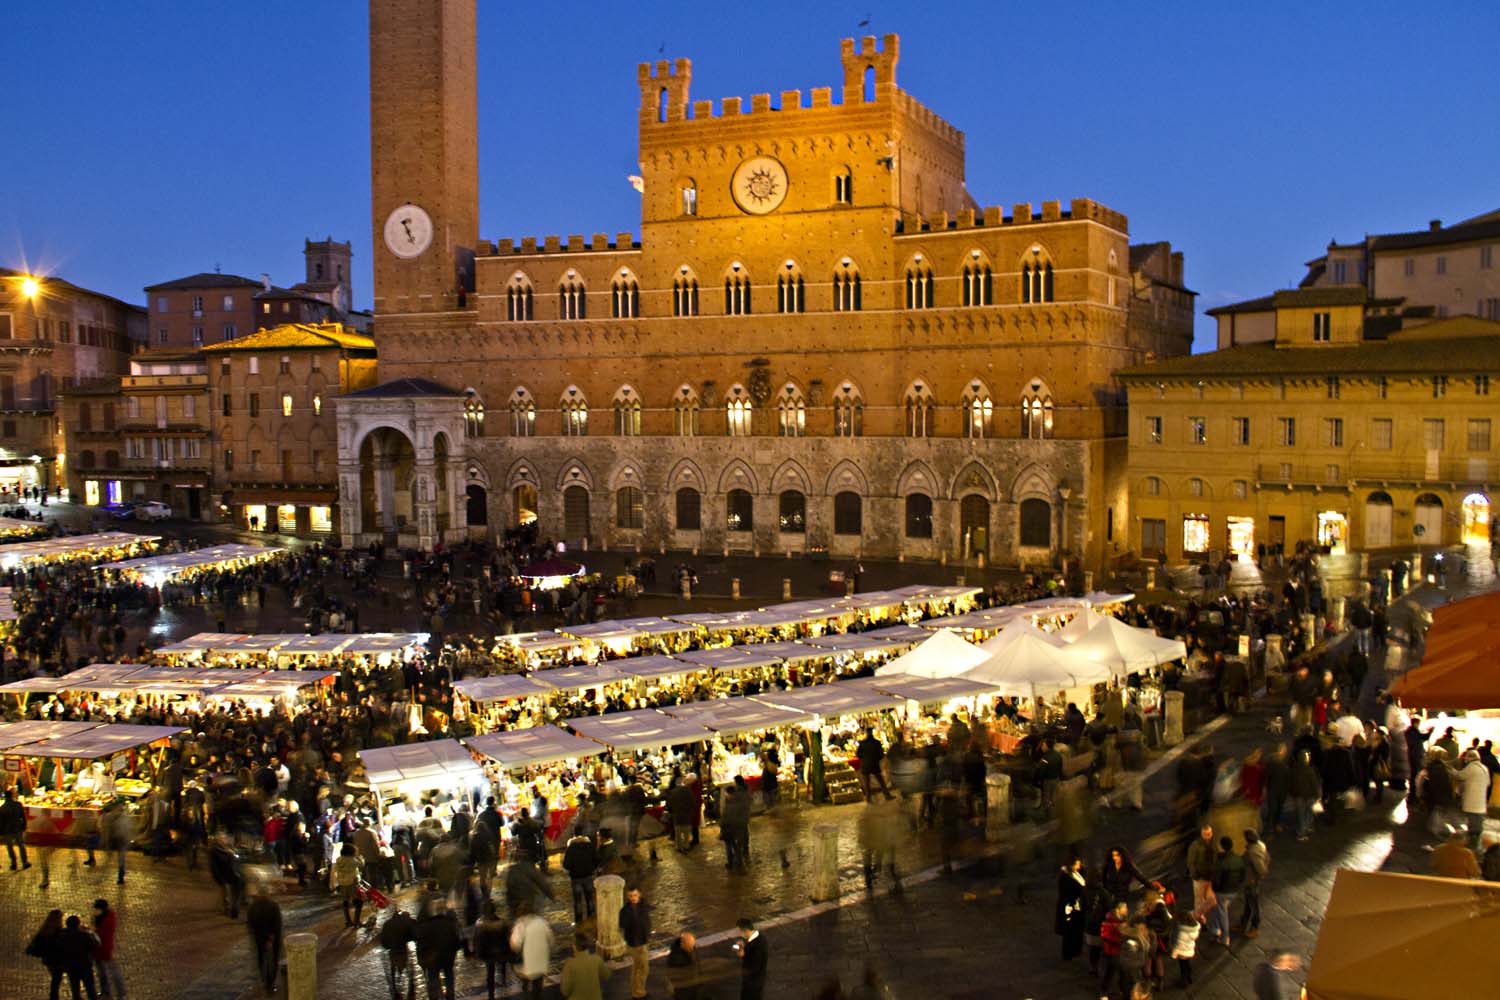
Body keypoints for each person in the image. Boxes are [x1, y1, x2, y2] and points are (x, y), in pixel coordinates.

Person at [415, 898, 462, 1000]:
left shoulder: (428, 925)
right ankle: (450, 996)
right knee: (449, 976)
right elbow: (456, 941)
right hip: (448, 957)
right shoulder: (449, 924)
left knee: (433, 977)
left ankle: (436, 996)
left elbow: (423, 943)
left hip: (433, 958)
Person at [509, 903, 554, 1000]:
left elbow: (515, 944)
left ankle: (526, 993)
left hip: (528, 962)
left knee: (526, 983)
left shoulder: (521, 924)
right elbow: (550, 939)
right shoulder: (541, 922)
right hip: (541, 961)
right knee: (537, 986)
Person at [246, 885, 283, 995]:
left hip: (259, 939)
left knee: (262, 960)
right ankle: (270, 985)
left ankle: (264, 982)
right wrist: (270, 939)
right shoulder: (273, 906)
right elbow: (277, 924)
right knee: (272, 962)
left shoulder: (252, 907)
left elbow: (250, 924)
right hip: (272, 939)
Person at [1211, 835, 1246, 946]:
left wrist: (1215, 889)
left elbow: (1217, 879)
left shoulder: (1221, 862)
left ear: (1222, 847)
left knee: (1222, 913)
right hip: (1234, 890)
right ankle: (1215, 929)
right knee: (1219, 908)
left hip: (1223, 891)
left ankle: (1225, 937)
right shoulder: (1238, 859)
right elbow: (1242, 876)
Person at [473, 899, 512, 1000]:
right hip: (501, 951)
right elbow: (506, 938)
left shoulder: (480, 923)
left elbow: (477, 941)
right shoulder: (502, 922)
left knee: (490, 973)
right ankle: (503, 980)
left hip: (488, 953)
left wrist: (478, 954)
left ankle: (491, 994)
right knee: (502, 966)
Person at [619, 885, 652, 999]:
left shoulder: (643, 906)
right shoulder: (625, 911)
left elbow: (646, 921)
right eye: (631, 896)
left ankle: (636, 991)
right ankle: (639, 993)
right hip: (634, 943)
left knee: (637, 968)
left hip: (643, 941)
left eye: (635, 895)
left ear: (639, 895)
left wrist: (647, 934)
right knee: (643, 969)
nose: (633, 898)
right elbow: (622, 924)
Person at [56, 913, 100, 1000]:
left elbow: (58, 949)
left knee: (75, 989)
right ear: (78, 924)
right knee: (90, 989)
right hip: (85, 965)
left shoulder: (62, 935)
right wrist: (90, 932)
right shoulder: (84, 935)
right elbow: (96, 943)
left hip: (71, 966)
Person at [379, 906, 418, 1000]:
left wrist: (389, 945)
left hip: (393, 950)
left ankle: (396, 991)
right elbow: (414, 934)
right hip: (402, 949)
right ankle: (411, 989)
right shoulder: (406, 922)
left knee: (393, 969)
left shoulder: (387, 924)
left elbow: (383, 941)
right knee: (408, 968)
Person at [559, 934, 611, 1000]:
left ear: (574, 947)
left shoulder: (569, 964)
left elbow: (565, 991)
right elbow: (607, 976)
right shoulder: (597, 959)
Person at [28, 909, 65, 1000]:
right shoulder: (58, 931)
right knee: (56, 979)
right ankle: (53, 997)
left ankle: (53, 996)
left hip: (48, 959)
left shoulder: (45, 930)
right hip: (57, 960)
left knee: (55, 978)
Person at [1054, 857, 1086, 961]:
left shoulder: (1074, 873)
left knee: (1075, 931)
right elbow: (1068, 893)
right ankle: (1068, 953)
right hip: (1070, 908)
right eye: (1077, 864)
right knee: (1069, 932)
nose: (1079, 866)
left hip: (1075, 907)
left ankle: (1075, 951)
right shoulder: (1066, 877)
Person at [91, 899, 124, 1000]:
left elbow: (101, 934)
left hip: (105, 950)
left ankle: (121, 994)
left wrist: (91, 932)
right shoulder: (101, 917)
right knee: (101, 972)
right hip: (98, 950)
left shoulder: (108, 921)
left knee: (114, 973)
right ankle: (106, 991)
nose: (95, 911)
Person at [562, 831, 598, 923]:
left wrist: (573, 869)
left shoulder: (571, 848)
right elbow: (597, 859)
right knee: (590, 899)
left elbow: (566, 864)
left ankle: (579, 921)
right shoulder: (590, 846)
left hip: (576, 878)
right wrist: (592, 868)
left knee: (578, 901)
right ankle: (591, 918)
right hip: (589, 876)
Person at [1459, 750, 1492, 851]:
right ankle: (1476, 840)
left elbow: (1460, 776)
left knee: (1472, 819)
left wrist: (1451, 771)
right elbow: (1488, 783)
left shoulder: (1471, 767)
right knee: (1478, 819)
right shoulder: (1484, 768)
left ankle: (1472, 841)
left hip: (1472, 798)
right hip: (1481, 799)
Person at [209, 833, 246, 919]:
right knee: (225, 894)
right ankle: (227, 909)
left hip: (234, 874)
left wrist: (234, 855)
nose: (224, 840)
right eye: (222, 839)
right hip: (223, 876)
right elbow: (214, 867)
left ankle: (234, 908)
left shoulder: (229, 848)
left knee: (237, 890)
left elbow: (237, 859)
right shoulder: (214, 851)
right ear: (217, 841)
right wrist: (220, 879)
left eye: (225, 838)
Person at [1240, 830, 1269, 938]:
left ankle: (1255, 927)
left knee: (1253, 905)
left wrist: (1257, 877)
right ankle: (1243, 923)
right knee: (1248, 903)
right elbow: (1267, 857)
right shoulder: (1261, 845)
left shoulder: (1252, 852)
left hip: (1251, 881)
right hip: (1252, 880)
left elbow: (1261, 869)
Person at [720, 777, 752, 874]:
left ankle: (734, 864)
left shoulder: (730, 805)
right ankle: (739, 862)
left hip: (732, 827)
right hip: (740, 825)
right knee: (737, 845)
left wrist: (722, 826)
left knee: (732, 846)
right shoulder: (742, 798)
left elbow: (726, 817)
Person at [1186, 823, 1217, 916]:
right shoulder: (1195, 846)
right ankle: (1200, 919)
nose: (1208, 836)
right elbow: (1191, 862)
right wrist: (1195, 875)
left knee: (1212, 900)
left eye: (1209, 834)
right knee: (1199, 901)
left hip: (1210, 878)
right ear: (1201, 834)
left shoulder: (1214, 845)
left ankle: (1197, 915)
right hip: (1200, 878)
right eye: (1205, 834)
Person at [1098, 899, 1129, 996]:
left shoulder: (1124, 919)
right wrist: (1119, 940)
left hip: (1121, 951)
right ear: (1118, 909)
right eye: (1125, 907)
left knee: (1123, 973)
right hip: (1111, 952)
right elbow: (1105, 935)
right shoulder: (1109, 921)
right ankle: (1103, 992)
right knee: (1109, 973)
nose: (1127, 909)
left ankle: (1123, 990)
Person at [332, 842, 365, 927]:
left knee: (345, 901)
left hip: (342, 883)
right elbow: (361, 864)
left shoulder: (338, 859)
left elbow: (336, 870)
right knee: (358, 901)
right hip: (352, 883)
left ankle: (348, 921)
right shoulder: (352, 860)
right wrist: (360, 857)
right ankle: (356, 921)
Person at [735, 917, 768, 1000]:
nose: (739, 934)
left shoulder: (757, 945)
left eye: (740, 931)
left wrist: (743, 955)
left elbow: (754, 967)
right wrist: (744, 947)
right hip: (757, 981)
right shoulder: (760, 938)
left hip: (753, 984)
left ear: (745, 930)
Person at [1168, 907, 1200, 988]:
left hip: (1182, 952)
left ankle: (1184, 981)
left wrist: (1173, 954)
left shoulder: (1181, 932)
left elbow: (1178, 944)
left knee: (1183, 966)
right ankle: (1189, 977)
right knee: (1188, 964)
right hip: (1189, 950)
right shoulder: (1194, 929)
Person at [855, 729, 890, 801]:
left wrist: (864, 758)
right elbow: (881, 755)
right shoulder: (876, 742)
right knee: (881, 781)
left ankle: (868, 798)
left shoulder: (862, 743)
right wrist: (876, 758)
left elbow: (858, 754)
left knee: (866, 782)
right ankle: (887, 795)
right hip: (874, 764)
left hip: (865, 764)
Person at [666, 932, 702, 1000]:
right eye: (690, 946)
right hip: (684, 987)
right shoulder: (677, 958)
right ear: (683, 944)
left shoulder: (689, 949)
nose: (692, 948)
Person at [1, 787, 30, 870]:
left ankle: (13, 863)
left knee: (10, 847)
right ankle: (25, 862)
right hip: (17, 828)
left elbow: (1, 822)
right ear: (12, 796)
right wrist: (24, 826)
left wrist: (1, 832)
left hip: (7, 830)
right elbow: (23, 817)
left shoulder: (2, 808)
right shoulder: (18, 805)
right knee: (21, 845)